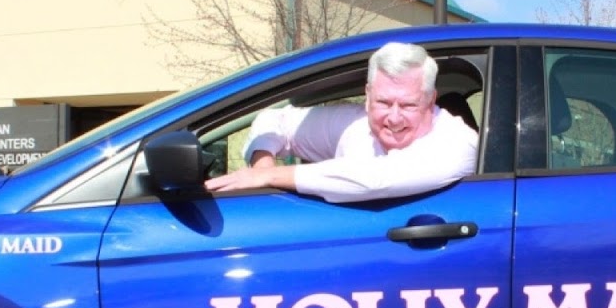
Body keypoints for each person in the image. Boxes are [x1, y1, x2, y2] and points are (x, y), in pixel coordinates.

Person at [203, 41, 478, 203]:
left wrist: (270, 177)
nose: (394, 118)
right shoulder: (355, 124)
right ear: (368, 96)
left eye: (408, 105)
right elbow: (275, 119)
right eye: (384, 103)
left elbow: (375, 180)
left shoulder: (457, 142)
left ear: (430, 100)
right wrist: (263, 163)